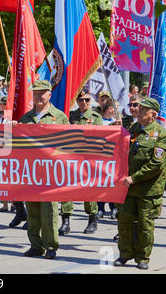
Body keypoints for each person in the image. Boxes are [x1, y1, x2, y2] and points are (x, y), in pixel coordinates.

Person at [114, 97, 166, 270]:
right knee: (125, 222)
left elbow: (156, 164)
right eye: (139, 108)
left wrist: (134, 177)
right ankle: (125, 254)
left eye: (143, 110)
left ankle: (142, 257)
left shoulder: (161, 135)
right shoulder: (134, 128)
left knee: (145, 226)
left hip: (148, 190)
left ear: (152, 114)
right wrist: (117, 130)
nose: (138, 111)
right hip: (129, 188)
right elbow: (122, 146)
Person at [19, 80, 68, 260]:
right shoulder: (26, 118)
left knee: (49, 212)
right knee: (32, 212)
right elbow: (19, 145)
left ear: (49, 94)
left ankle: (51, 245)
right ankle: (35, 245)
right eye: (36, 93)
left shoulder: (59, 116)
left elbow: (67, 144)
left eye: (42, 93)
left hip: (50, 172)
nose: (38, 96)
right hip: (31, 172)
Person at [58, 89, 102, 235]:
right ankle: (65, 221)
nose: (84, 102)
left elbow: (100, 137)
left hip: (88, 160)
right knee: (68, 189)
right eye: (81, 100)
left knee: (89, 191)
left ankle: (92, 219)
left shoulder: (96, 117)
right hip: (72, 158)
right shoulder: (70, 116)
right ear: (76, 101)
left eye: (87, 100)